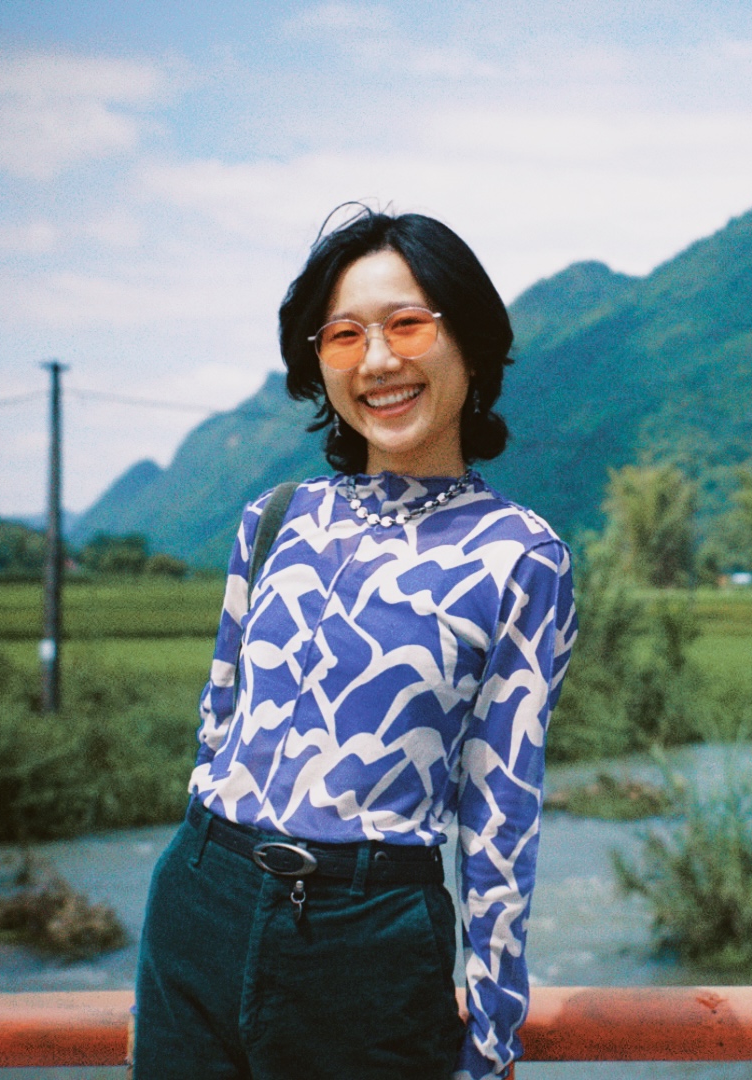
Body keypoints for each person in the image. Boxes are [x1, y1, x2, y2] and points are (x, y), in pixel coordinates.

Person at [134, 207, 577, 1080]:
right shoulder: (272, 521)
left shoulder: (522, 557)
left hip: (368, 941)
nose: (378, 361)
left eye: (408, 325)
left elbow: (500, 818)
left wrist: (491, 1039)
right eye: (344, 337)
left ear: (472, 345)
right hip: (199, 901)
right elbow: (217, 726)